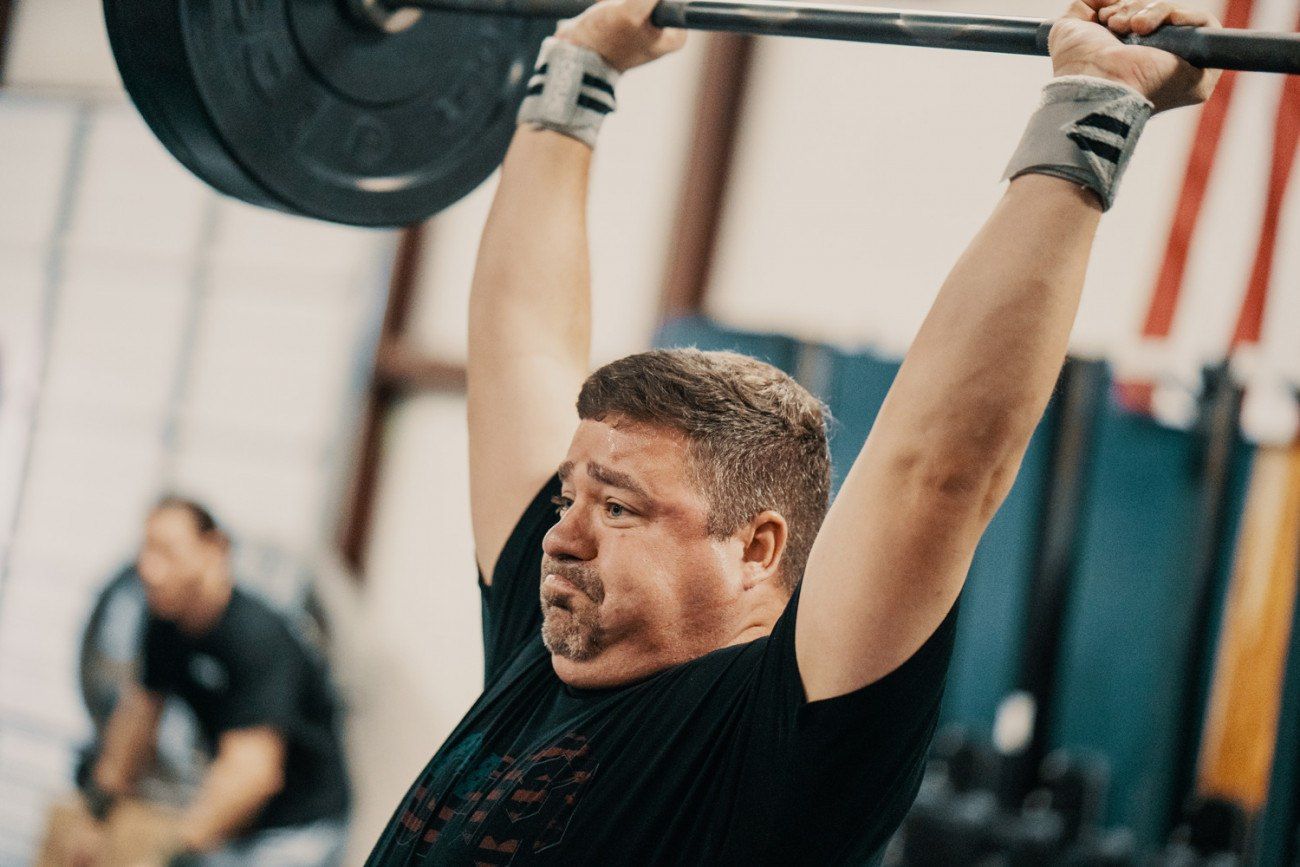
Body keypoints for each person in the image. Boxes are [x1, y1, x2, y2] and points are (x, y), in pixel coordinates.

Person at [366, 0, 1219, 861]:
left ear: (757, 548)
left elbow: (935, 470)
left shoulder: (776, 740)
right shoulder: (550, 637)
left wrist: (1096, 101)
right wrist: (580, 65)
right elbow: (521, 336)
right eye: (568, 496)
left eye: (618, 508)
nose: (564, 537)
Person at [76, 497, 350, 866]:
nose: (150, 570)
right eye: (146, 550)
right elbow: (139, 717)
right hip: (243, 826)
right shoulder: (164, 624)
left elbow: (251, 774)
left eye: (167, 551)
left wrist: (176, 852)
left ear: (214, 549)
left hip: (298, 827)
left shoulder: (256, 636)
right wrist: (97, 815)